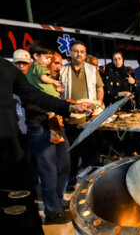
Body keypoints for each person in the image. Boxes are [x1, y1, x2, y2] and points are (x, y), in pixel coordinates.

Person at [0, 57, 93, 234]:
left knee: (21, 211)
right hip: (28, 135)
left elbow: (35, 95)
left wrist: (71, 107)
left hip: (11, 152)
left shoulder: (5, 67)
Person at [24, 44, 72, 224]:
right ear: (36, 58)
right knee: (49, 170)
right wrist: (52, 110)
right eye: (49, 59)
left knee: (63, 164)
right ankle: (52, 213)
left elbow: (56, 100)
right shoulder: (31, 79)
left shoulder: (49, 79)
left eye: (54, 60)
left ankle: (57, 202)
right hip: (40, 126)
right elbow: (31, 104)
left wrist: (63, 106)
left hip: (55, 126)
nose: (53, 63)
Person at [59, 40, 104, 192]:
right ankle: (71, 180)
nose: (79, 54)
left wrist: (98, 105)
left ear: (85, 54)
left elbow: (100, 88)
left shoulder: (92, 69)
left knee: (90, 150)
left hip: (89, 118)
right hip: (70, 117)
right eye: (76, 51)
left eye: (82, 51)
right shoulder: (63, 70)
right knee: (72, 152)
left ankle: (91, 181)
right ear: (70, 53)